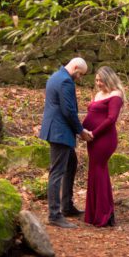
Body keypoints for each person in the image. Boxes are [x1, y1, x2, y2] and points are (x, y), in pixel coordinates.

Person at [39, 56, 91, 229]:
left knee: (71, 164)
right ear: (75, 67)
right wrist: (81, 131)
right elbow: (68, 111)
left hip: (56, 130)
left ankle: (66, 205)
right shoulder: (65, 81)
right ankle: (54, 214)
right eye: (80, 74)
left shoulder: (55, 76)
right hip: (60, 132)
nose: (80, 77)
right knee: (57, 172)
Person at [82, 65, 124, 228]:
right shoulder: (98, 94)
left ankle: (104, 214)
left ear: (108, 79)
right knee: (95, 172)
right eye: (97, 80)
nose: (98, 83)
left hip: (104, 139)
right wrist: (81, 130)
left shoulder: (116, 95)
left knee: (98, 171)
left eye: (101, 80)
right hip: (91, 138)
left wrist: (94, 133)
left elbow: (111, 119)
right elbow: (91, 115)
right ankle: (94, 213)